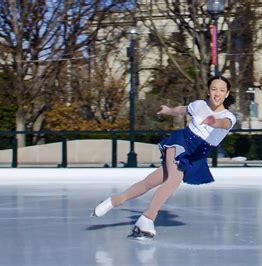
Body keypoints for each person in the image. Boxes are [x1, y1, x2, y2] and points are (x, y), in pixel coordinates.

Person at [91, 75, 236, 239]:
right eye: (214, 89)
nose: (217, 93)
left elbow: (223, 123)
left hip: (196, 155)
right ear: (209, 91)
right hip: (181, 143)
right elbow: (182, 109)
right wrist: (168, 110)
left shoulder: (229, 117)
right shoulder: (199, 105)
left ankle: (113, 201)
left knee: (150, 182)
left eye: (222, 90)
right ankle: (147, 218)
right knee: (174, 180)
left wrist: (213, 122)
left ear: (227, 93)